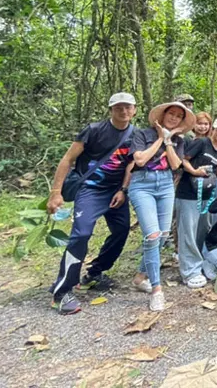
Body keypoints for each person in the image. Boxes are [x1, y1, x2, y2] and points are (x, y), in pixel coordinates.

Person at [47, 92, 137, 314]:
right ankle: (62, 292)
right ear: (111, 110)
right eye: (118, 107)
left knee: (121, 230)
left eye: (128, 107)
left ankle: (95, 272)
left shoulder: (136, 134)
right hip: (90, 190)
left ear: (134, 110)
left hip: (116, 191)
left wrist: (123, 190)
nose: (123, 111)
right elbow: (68, 159)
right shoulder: (94, 130)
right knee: (81, 234)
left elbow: (131, 164)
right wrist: (55, 192)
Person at [128, 101, 194, 311]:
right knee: (152, 236)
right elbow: (140, 160)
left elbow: (175, 164)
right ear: (162, 115)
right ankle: (157, 290)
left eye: (178, 116)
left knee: (163, 235)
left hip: (165, 184)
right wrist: (159, 138)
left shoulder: (178, 141)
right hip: (142, 184)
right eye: (171, 114)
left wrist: (168, 139)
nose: (174, 118)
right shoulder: (142, 134)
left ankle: (140, 276)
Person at [176, 117, 217, 289]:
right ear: (213, 130)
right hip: (188, 194)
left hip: (205, 195)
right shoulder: (202, 142)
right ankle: (189, 272)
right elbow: (184, 159)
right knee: (188, 232)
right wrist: (194, 171)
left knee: (201, 231)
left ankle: (198, 264)